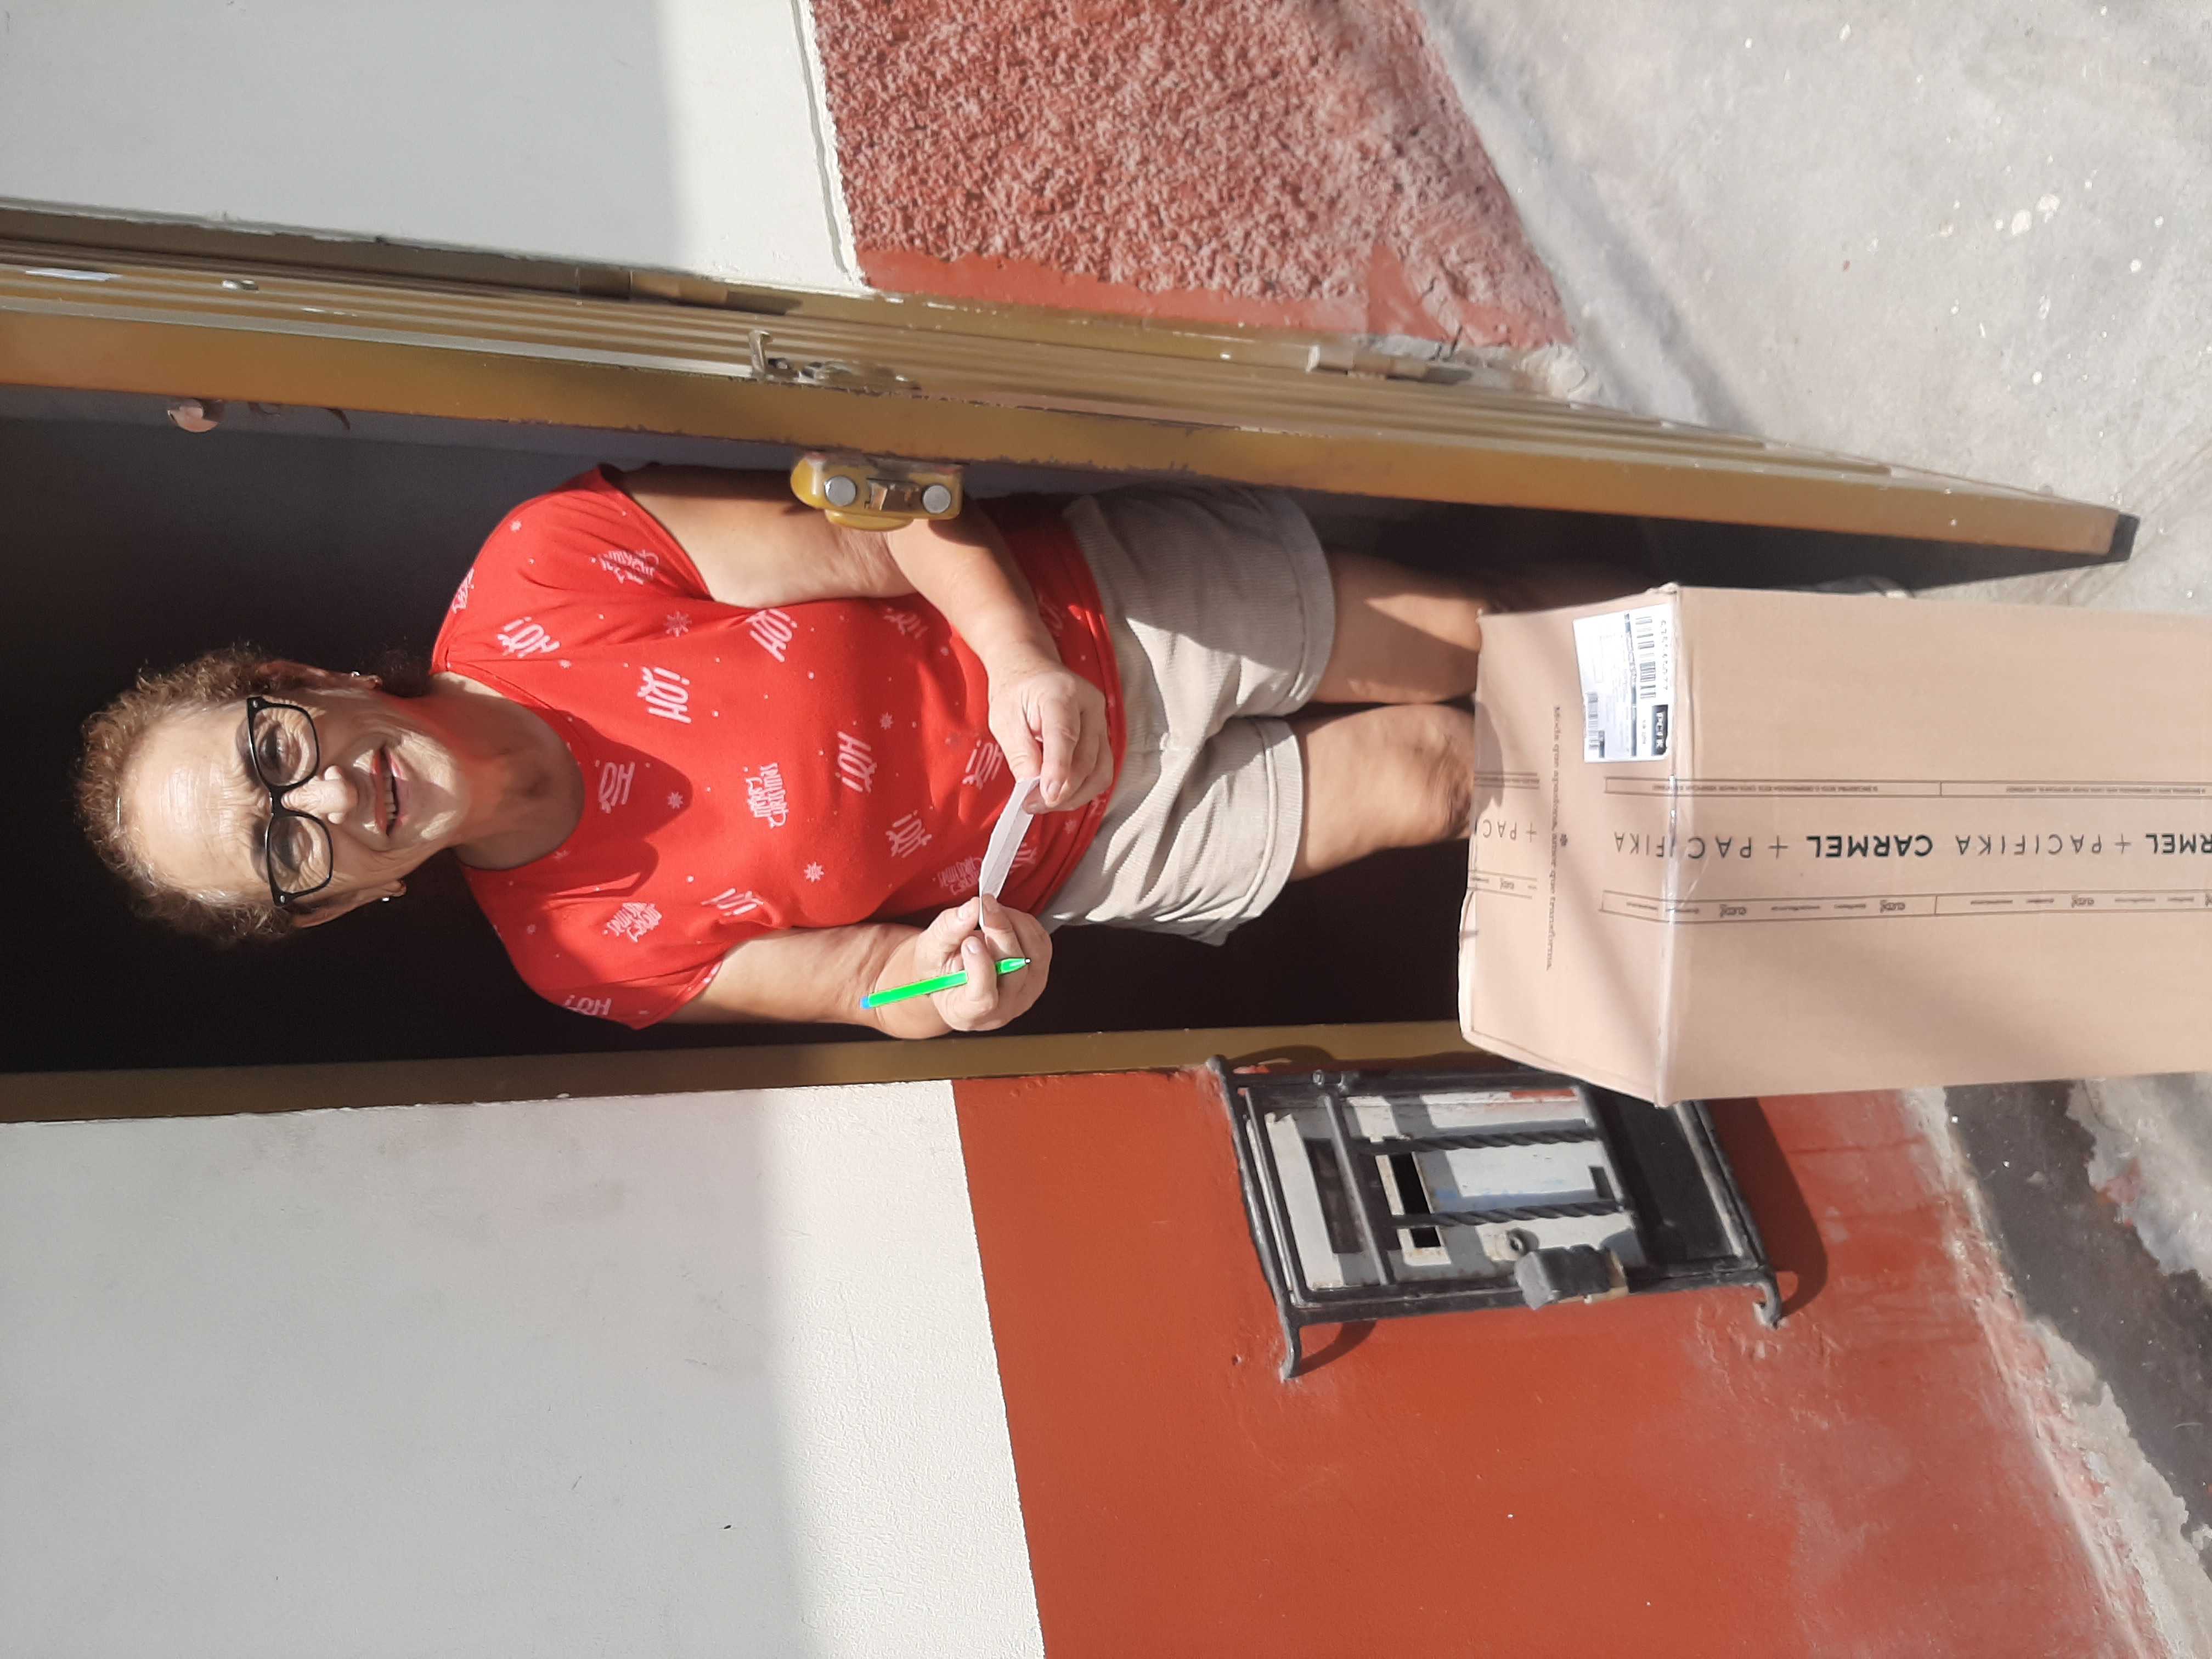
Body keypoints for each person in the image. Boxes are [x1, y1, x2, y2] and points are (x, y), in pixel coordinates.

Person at [77, 466, 1538, 1039]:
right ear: (335, 903)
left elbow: (886, 530)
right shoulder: (582, 959)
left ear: (303, 684)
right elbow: (863, 985)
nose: (325, 794)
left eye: (273, 749)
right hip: (1090, 848)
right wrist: (961, 983)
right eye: (285, 848)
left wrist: (1025, 660)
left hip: (1094, 617)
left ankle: (1681, 630)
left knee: (1489, 640)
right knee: (1439, 779)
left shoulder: (542, 571)